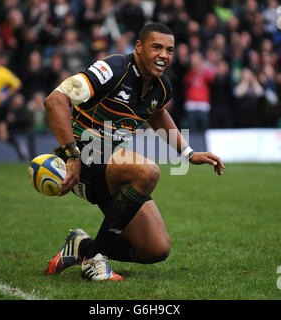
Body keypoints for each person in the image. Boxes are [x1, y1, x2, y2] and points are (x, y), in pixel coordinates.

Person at [43, 23, 224, 281]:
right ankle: (97, 260)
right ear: (138, 47)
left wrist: (188, 154)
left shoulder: (162, 87)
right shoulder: (112, 69)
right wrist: (72, 156)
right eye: (157, 47)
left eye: (170, 50)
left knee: (155, 249)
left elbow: (158, 113)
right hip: (81, 157)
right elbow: (55, 100)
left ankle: (83, 247)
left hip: (110, 165)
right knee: (148, 171)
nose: (164, 55)